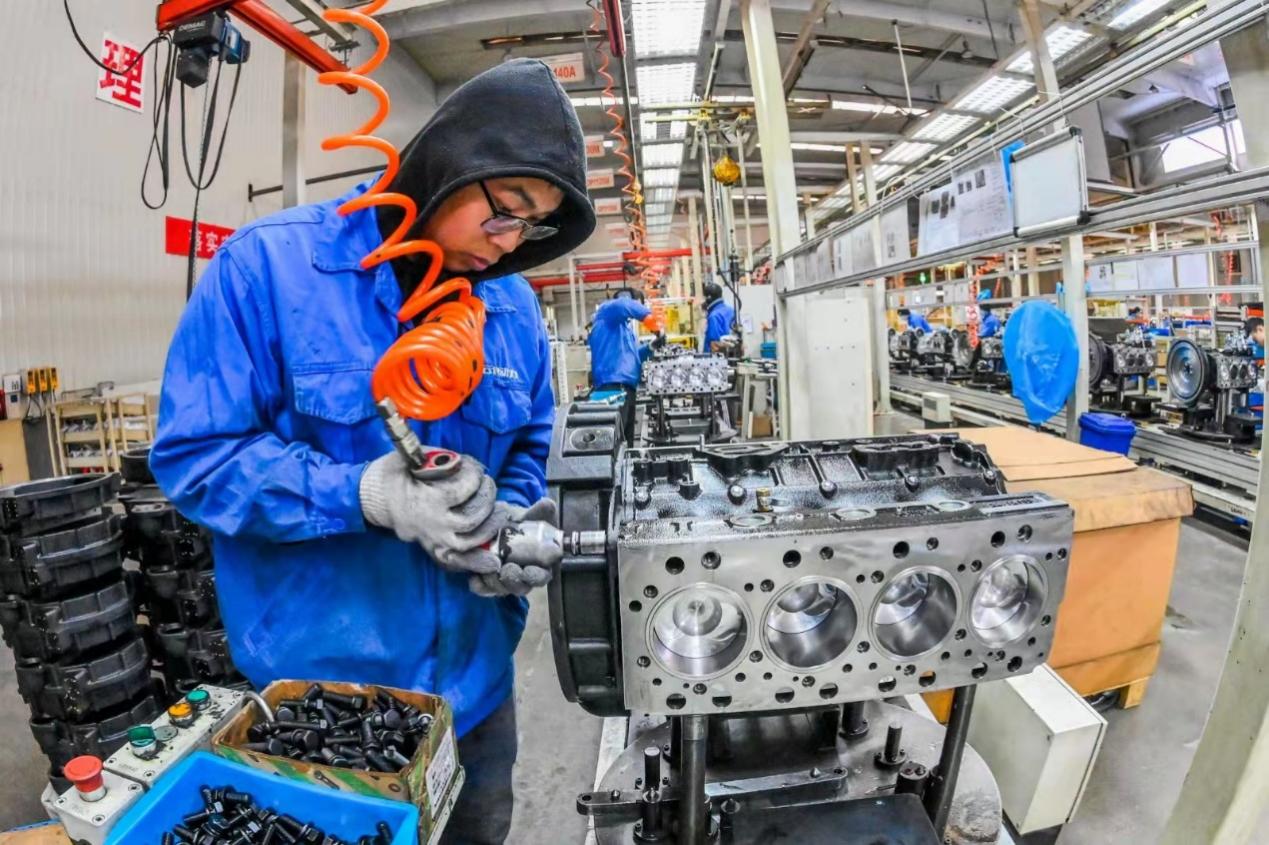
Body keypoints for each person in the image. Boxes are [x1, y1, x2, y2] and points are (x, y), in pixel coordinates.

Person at [149, 59, 596, 845]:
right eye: (505, 209)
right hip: (321, 707)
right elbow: (198, 456)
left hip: (474, 695)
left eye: (532, 228)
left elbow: (530, 436)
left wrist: (510, 518)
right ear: (448, 164)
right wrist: (363, 493)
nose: (509, 242)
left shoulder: (510, 306)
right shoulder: (269, 270)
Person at [589, 287, 660, 444]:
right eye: (637, 305)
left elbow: (632, 356)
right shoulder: (607, 312)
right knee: (611, 443)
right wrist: (652, 322)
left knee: (626, 444)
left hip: (625, 389)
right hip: (611, 389)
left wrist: (651, 347)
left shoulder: (624, 329)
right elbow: (623, 304)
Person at [703, 281, 737, 352]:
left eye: (705, 297)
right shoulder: (731, 310)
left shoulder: (714, 316)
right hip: (734, 352)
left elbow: (714, 346)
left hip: (718, 356)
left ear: (709, 298)